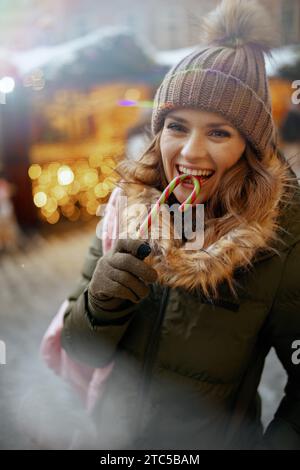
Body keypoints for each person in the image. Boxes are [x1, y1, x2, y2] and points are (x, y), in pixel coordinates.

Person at [56, 0, 300, 450]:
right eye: (176, 126)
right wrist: (101, 305)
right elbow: (78, 346)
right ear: (158, 131)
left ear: (250, 148)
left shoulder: (280, 239)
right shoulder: (125, 211)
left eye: (219, 132)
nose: (190, 152)